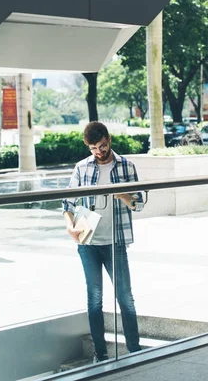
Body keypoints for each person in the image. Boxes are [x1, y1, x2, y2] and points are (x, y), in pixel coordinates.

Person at [63, 121, 143, 363]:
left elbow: (138, 203)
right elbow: (67, 202)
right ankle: (101, 352)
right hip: (88, 240)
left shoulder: (126, 166)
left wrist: (122, 194)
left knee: (125, 296)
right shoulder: (82, 167)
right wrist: (70, 225)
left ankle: (135, 349)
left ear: (109, 139)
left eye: (102, 146)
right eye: (93, 148)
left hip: (115, 240)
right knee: (94, 298)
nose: (98, 152)